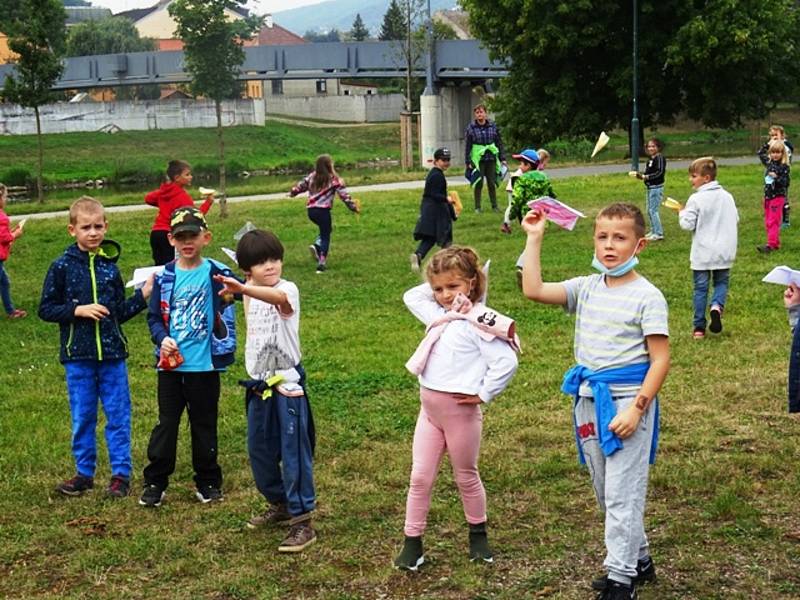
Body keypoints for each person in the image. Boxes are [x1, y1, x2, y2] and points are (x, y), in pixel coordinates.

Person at [520, 203, 670, 599]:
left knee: (624, 492)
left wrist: (637, 409)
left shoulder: (647, 296)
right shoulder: (586, 287)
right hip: (588, 400)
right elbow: (533, 289)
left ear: (639, 245)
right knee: (606, 491)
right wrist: (534, 238)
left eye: (619, 238)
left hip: (626, 402)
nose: (609, 246)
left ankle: (622, 580)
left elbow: (660, 360)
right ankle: (639, 558)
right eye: (602, 236)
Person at [394, 246, 519, 570]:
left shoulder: (478, 323)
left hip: (460, 413)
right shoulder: (439, 313)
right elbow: (412, 296)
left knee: (466, 475)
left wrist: (483, 394)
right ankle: (412, 542)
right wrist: (442, 280)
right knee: (420, 477)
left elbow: (505, 362)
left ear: (472, 284)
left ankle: (478, 535)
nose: (445, 295)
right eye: (438, 289)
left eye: (453, 286)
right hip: (430, 412)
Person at [39, 196, 152, 498]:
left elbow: (118, 312)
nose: (93, 233)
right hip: (78, 357)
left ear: (106, 227)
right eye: (86, 227)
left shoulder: (109, 269)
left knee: (118, 414)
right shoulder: (61, 267)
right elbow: (46, 308)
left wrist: (143, 296)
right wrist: (78, 311)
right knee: (83, 414)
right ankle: (84, 473)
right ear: (71, 230)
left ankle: (120, 474)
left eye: (98, 226)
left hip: (113, 356)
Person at [214, 229, 317, 553]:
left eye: (274, 259)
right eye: (261, 262)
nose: (271, 266)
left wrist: (245, 288)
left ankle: (303, 521)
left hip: (287, 385)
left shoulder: (287, 289)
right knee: (259, 450)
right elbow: (234, 303)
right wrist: (232, 296)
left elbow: (279, 302)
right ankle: (280, 504)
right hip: (259, 386)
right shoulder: (248, 293)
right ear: (247, 268)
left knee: (293, 453)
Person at [139, 206, 238, 508]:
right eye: (180, 236)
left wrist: (237, 289)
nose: (187, 242)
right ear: (170, 239)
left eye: (192, 235)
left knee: (204, 423)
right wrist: (162, 338)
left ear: (205, 237)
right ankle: (156, 481)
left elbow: (247, 289)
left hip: (205, 365)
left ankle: (208, 481)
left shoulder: (217, 273)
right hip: (171, 367)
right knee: (166, 424)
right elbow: (154, 317)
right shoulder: (165, 276)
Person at [677, 157, 739, 339]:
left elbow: (687, 225)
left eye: (693, 176)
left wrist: (681, 213)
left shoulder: (696, 199)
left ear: (706, 178)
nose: (691, 180)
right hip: (724, 251)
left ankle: (698, 328)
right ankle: (716, 306)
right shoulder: (727, 197)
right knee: (721, 282)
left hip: (703, 252)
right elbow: (735, 219)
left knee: (700, 288)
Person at [289, 154, 360, 273]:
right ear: (329, 165)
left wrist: (292, 193)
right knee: (326, 235)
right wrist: (353, 207)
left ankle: (317, 245)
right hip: (323, 211)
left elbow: (300, 187)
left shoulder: (312, 176)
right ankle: (321, 262)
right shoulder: (334, 179)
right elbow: (344, 196)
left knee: (325, 230)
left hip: (311, 211)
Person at [500, 149, 555, 286]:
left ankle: (523, 266)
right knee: (536, 241)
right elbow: (551, 194)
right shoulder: (544, 177)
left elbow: (517, 200)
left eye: (522, 164)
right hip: (542, 216)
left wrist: (510, 217)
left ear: (529, 165)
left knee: (532, 241)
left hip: (528, 216)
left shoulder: (522, 180)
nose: (520, 167)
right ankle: (528, 269)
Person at [144, 159, 214, 266]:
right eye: (187, 175)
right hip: (169, 234)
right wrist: (208, 202)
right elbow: (195, 216)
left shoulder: (164, 191)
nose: (191, 177)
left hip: (156, 233)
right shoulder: (182, 197)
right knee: (172, 265)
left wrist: (164, 205)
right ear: (177, 178)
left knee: (159, 266)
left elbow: (148, 198)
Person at [410, 147, 457, 271]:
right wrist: (447, 199)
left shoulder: (434, 174)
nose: (446, 162)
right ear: (435, 161)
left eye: (448, 160)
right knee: (445, 235)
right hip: (437, 209)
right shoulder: (437, 176)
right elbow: (433, 193)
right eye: (443, 160)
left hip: (429, 209)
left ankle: (418, 255)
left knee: (430, 237)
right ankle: (446, 262)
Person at [464, 104, 507, 213]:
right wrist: (468, 161)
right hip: (478, 159)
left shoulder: (493, 126)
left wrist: (502, 158)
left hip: (491, 158)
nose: (480, 114)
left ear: (485, 113)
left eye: (481, 112)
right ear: (475, 115)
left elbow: (499, 143)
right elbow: (468, 145)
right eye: (477, 112)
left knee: (491, 182)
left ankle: (494, 205)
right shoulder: (471, 128)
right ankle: (477, 207)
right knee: (478, 182)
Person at [757, 140, 791, 253]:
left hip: (778, 197)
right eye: (773, 152)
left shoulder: (784, 167)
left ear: (783, 154)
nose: (775, 155)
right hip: (768, 197)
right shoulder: (769, 163)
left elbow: (786, 183)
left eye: (778, 152)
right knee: (768, 221)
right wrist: (768, 144)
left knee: (773, 221)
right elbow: (760, 153)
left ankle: (770, 245)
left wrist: (776, 177)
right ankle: (775, 243)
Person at [0, 183, 26, 319]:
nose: (6, 200)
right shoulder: (2, 218)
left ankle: (10, 311)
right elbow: (4, 238)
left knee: (4, 282)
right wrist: (16, 234)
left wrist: (11, 232)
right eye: (5, 197)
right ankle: (10, 311)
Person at [759, 125, 793, 226]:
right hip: (770, 177)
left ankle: (785, 220)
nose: (774, 137)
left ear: (782, 136)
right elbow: (762, 154)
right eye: (772, 135)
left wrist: (782, 142)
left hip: (781, 176)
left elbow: (788, 153)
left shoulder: (785, 147)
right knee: (769, 196)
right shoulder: (771, 146)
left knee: (783, 197)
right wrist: (768, 144)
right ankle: (772, 216)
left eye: (776, 135)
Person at [633, 138, 667, 241]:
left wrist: (646, 177)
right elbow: (648, 172)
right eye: (649, 146)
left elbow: (659, 172)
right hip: (649, 187)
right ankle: (653, 230)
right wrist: (642, 176)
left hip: (656, 188)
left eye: (653, 146)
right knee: (649, 210)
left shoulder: (660, 158)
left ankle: (658, 233)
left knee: (653, 210)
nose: (651, 148)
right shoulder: (650, 160)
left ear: (658, 148)